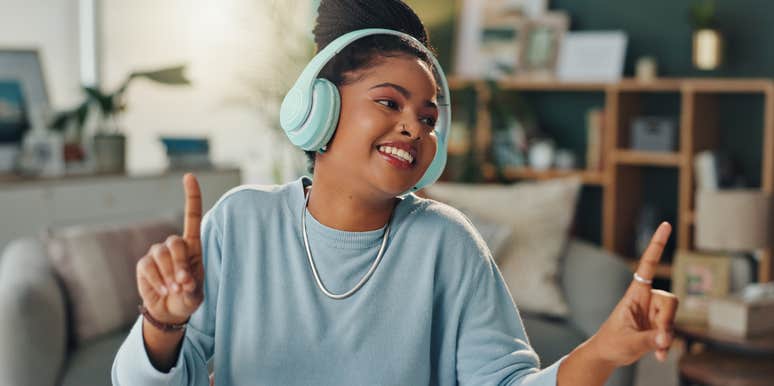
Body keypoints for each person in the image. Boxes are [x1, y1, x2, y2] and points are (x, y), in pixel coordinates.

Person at [111, 1, 678, 385]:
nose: (414, 127)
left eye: (429, 118)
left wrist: (602, 351)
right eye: (389, 102)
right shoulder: (241, 223)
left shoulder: (447, 243)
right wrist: (163, 323)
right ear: (319, 107)